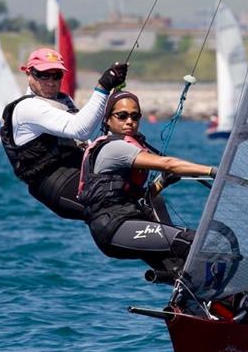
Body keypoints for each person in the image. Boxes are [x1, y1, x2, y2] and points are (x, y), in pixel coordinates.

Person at [78, 90, 216, 277]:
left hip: (123, 225)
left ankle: (198, 293)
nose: (129, 121)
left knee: (177, 266)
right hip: (115, 228)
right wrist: (212, 171)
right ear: (108, 120)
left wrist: (162, 183)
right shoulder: (114, 148)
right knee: (190, 242)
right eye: (122, 116)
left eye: (135, 117)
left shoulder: (125, 146)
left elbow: (140, 198)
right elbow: (169, 163)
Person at [0, 47, 128, 220]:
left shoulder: (63, 100)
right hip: (55, 184)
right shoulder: (27, 107)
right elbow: (80, 130)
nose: (51, 82)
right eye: (43, 75)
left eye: (56, 75)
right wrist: (103, 86)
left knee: (131, 189)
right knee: (114, 205)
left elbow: (83, 141)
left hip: (77, 172)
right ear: (28, 73)